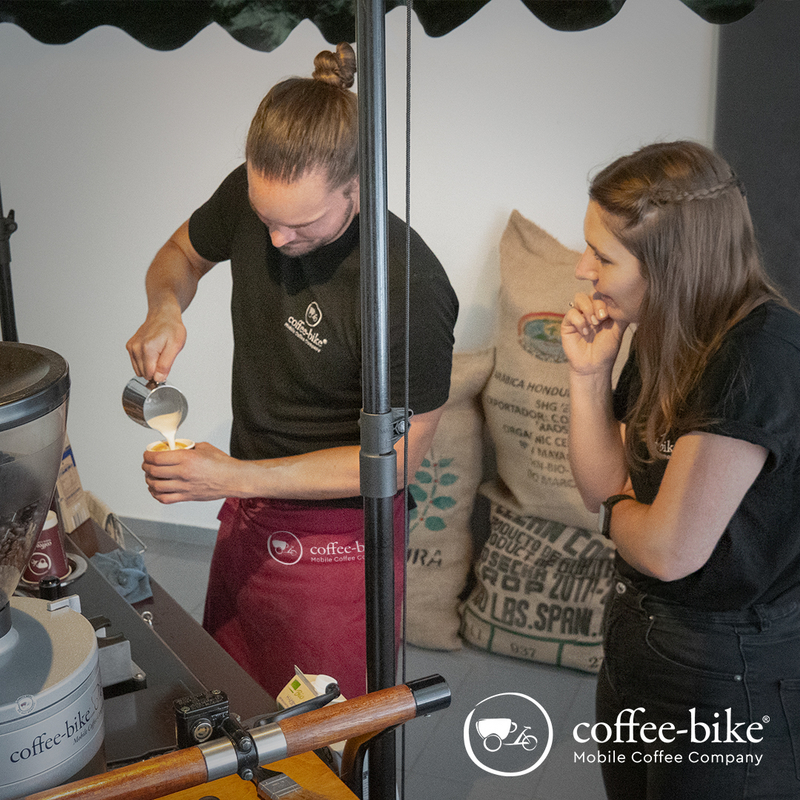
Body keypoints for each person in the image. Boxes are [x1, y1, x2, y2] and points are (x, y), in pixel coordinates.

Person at [126, 42, 458, 701]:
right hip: (250, 514)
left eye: (301, 225)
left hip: (343, 540)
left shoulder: (407, 288)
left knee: (324, 733)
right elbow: (179, 255)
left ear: (357, 189)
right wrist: (165, 307)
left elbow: (393, 463)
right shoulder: (254, 201)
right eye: (265, 217)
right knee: (233, 701)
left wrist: (231, 475)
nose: (277, 242)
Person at [561, 140, 800, 799]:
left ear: (670, 265)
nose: (584, 270)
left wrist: (617, 507)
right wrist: (588, 377)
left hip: (726, 665)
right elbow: (595, 483)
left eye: (603, 256)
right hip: (642, 634)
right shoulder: (667, 333)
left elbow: (669, 550)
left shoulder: (759, 356)